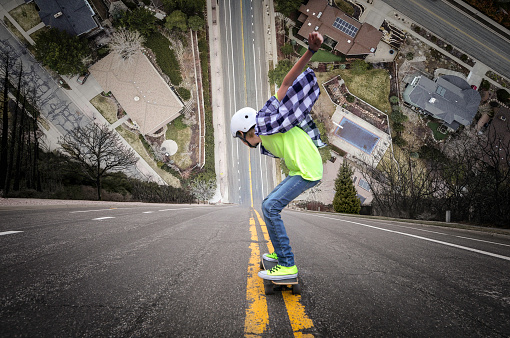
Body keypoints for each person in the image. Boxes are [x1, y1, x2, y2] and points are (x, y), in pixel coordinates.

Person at [230, 32, 325, 280]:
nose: (244, 143)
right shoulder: (264, 140)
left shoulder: (266, 121)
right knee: (267, 204)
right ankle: (280, 254)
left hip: (308, 170)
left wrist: (311, 51)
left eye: (241, 139)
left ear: (243, 132)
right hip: (301, 170)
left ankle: (287, 263)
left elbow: (285, 83)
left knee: (271, 207)